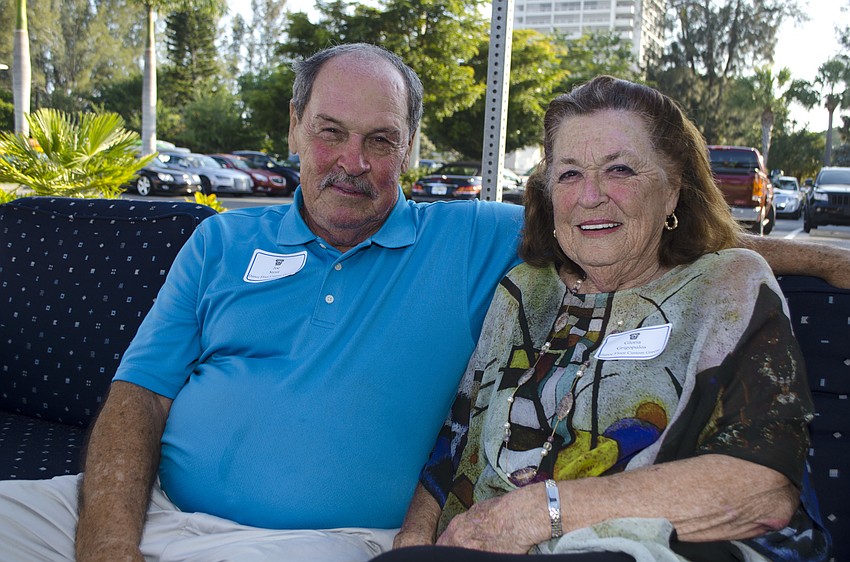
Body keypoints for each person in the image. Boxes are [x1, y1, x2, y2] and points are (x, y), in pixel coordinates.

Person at [0, 46, 843, 562]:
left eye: (381, 140)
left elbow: (631, 231)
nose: (352, 162)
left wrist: (817, 259)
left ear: (409, 149)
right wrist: (108, 542)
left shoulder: (469, 238)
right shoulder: (220, 241)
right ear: (294, 129)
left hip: (311, 545)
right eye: (330, 132)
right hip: (136, 510)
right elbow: (136, 398)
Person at [385, 76, 830, 562]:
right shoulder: (524, 289)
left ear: (674, 190)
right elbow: (456, 439)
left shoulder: (728, 286)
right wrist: (414, 535)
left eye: (620, 169)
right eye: (569, 174)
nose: (591, 195)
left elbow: (763, 488)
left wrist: (541, 511)